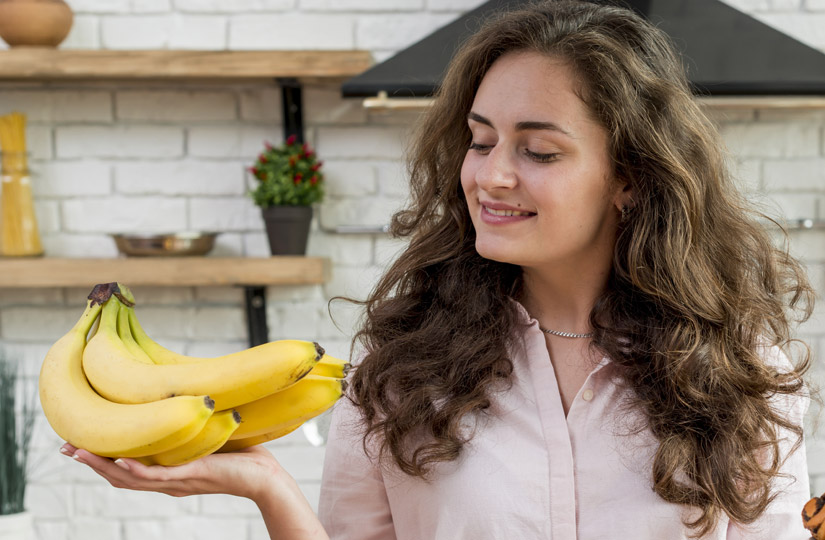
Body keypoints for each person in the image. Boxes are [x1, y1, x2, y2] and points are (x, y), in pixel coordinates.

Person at [62, 1, 818, 538]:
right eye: (480, 140)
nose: (489, 175)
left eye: (538, 150)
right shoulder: (402, 365)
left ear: (629, 177)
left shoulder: (739, 367)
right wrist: (267, 489)